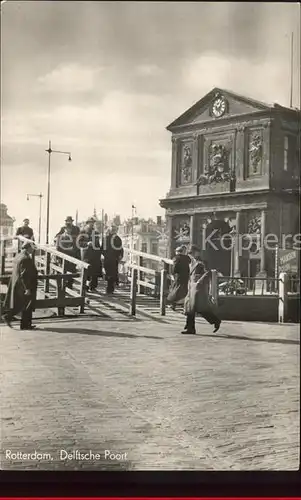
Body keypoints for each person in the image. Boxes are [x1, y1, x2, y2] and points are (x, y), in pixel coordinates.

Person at [183, 245, 221, 335]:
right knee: (190, 308)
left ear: (197, 252)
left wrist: (200, 281)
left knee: (199, 308)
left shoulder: (202, 262)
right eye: (190, 253)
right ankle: (190, 328)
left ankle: (215, 320)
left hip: (198, 287)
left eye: (192, 253)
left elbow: (208, 272)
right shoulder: (192, 262)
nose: (191, 255)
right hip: (192, 286)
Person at [2, 241, 38, 330]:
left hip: (18, 285)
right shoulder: (25, 258)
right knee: (26, 305)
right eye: (32, 249)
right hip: (25, 286)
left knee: (22, 304)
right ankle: (9, 317)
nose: (33, 251)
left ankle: (25, 324)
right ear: (28, 248)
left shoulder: (18, 256)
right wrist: (27, 288)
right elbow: (24, 275)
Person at [54, 216, 80, 288]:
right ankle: (62, 287)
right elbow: (58, 248)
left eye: (70, 221)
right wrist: (58, 257)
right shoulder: (61, 233)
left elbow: (77, 245)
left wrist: (78, 257)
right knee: (63, 272)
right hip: (63, 257)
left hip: (72, 257)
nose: (69, 222)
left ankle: (69, 286)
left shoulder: (76, 229)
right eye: (67, 221)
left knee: (72, 272)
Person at [78, 217, 102, 291]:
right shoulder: (83, 232)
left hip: (95, 255)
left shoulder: (96, 232)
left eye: (93, 222)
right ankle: (85, 287)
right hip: (87, 255)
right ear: (87, 223)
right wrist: (87, 243)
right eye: (90, 222)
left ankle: (93, 287)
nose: (92, 224)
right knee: (87, 272)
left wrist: (99, 252)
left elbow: (98, 244)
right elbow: (79, 243)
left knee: (95, 272)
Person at [167, 245, 190, 311]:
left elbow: (174, 268)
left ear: (177, 252)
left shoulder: (176, 258)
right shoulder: (187, 258)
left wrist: (172, 273)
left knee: (176, 290)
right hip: (186, 276)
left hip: (178, 276)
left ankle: (172, 305)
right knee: (184, 290)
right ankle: (184, 306)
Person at [101, 225, 123, 294]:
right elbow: (102, 249)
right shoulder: (106, 238)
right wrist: (106, 255)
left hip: (113, 259)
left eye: (114, 230)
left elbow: (121, 249)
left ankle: (110, 289)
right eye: (112, 230)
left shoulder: (118, 239)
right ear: (110, 231)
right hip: (109, 259)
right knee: (109, 273)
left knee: (112, 274)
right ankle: (109, 288)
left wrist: (120, 256)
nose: (113, 232)